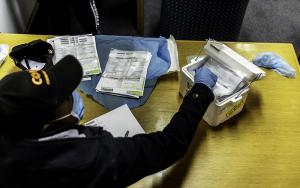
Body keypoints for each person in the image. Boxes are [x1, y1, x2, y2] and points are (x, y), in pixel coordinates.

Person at [0, 55, 217, 187]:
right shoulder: (93, 158)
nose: (75, 94)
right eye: (66, 97)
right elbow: (169, 145)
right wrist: (200, 92)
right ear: (47, 127)